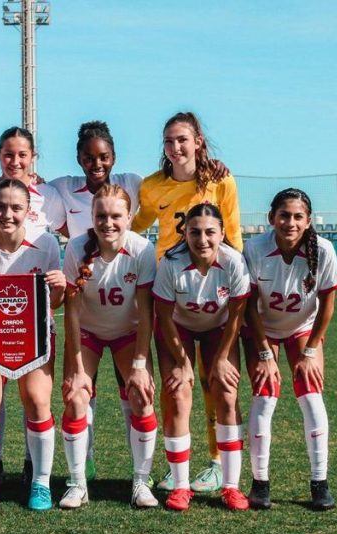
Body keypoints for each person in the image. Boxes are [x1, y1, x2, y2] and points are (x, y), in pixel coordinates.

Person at [132, 112, 238, 493]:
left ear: (198, 142)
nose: (176, 148)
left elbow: (234, 235)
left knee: (216, 382)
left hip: (212, 294)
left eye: (182, 140)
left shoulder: (220, 181)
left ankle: (216, 463)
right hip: (170, 293)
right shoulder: (151, 186)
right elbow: (135, 225)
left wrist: (232, 282)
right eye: (169, 141)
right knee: (176, 385)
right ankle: (176, 466)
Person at [0, 126, 66, 485]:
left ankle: (35, 470)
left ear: (33, 157)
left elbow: (79, 229)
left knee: (36, 399)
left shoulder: (51, 201)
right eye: (8, 154)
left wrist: (68, 281)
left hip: (33, 328)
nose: (15, 161)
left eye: (22, 154)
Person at [50, 121, 142, 479]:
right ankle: (82, 466)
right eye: (89, 157)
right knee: (80, 391)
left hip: (123, 309)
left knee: (132, 390)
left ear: (114, 157)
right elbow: (27, 187)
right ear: (79, 158)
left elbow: (175, 185)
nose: (96, 163)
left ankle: (140, 472)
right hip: (84, 306)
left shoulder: (133, 183)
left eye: (103, 156)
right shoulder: (62, 190)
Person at [242, 188, 337, 511]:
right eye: (284, 215)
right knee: (265, 393)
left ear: (309, 221)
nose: (291, 222)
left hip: (303, 328)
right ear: (271, 218)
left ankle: (319, 482)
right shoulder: (254, 248)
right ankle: (260, 483)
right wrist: (264, 353)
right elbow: (249, 308)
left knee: (311, 393)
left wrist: (312, 349)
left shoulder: (323, 250)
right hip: (263, 330)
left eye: (298, 216)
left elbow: (328, 303)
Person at [59, 184, 158, 509]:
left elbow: (146, 313)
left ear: (129, 217)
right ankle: (77, 484)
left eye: (116, 215)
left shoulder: (142, 250)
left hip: (127, 332)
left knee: (142, 396)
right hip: (87, 331)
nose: (108, 222)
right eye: (101, 215)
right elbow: (71, 312)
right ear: (92, 216)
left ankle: (141, 483)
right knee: (75, 397)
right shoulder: (76, 249)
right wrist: (75, 367)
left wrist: (141, 366)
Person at [152, 202, 250, 511]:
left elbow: (236, 316)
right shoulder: (170, 263)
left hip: (218, 330)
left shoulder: (234, 262)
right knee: (179, 395)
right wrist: (183, 362)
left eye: (210, 232)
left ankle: (231, 486)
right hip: (176, 329)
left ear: (222, 233)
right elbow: (164, 317)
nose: (203, 240)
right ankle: (181, 487)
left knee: (227, 393)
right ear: (185, 233)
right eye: (195, 232)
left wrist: (220, 359)